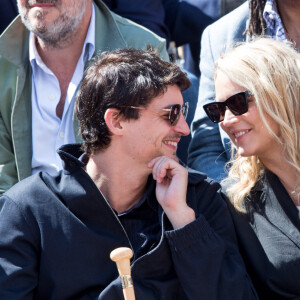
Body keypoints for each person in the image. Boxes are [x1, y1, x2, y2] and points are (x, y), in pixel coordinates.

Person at [0, 48, 258, 299]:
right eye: (171, 114)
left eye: (183, 114)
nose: (184, 129)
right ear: (117, 121)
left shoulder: (198, 200)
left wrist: (184, 223)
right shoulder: (26, 211)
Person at [0, 0, 168, 194]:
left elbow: (153, 174)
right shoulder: (3, 60)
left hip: (115, 220)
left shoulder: (144, 51)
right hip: (23, 220)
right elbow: (4, 186)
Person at [203, 38, 300, 298]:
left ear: (281, 93)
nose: (226, 121)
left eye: (237, 103)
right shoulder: (235, 203)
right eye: (218, 110)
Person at [188, 0, 300, 181]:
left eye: (239, 102)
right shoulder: (220, 35)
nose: (228, 120)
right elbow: (207, 151)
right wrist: (245, 202)